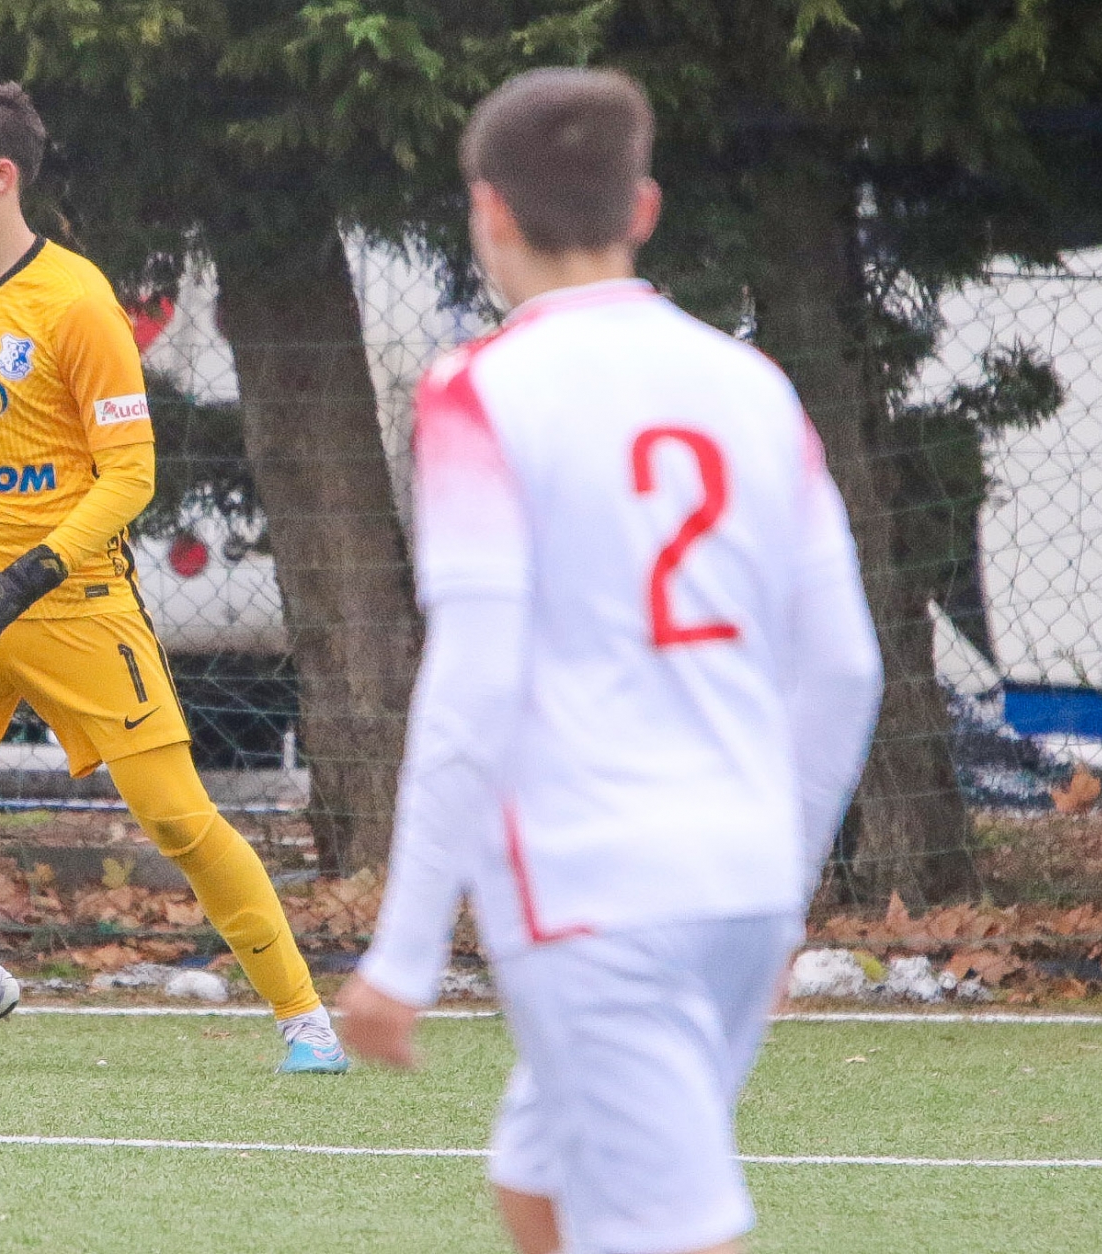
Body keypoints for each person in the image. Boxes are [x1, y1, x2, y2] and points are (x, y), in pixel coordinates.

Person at [335, 68, 882, 1253]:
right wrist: (782, 885)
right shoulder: (753, 386)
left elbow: (474, 679)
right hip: (741, 877)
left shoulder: (480, 391)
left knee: (667, 1230)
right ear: (644, 208)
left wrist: (405, 952)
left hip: (592, 892)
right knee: (537, 1175)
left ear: (489, 210)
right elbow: (843, 667)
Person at [0, 80, 347, 1074]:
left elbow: (130, 476)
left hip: (71, 598)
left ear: (0, 176)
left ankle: (305, 1021)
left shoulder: (76, 302)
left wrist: (24, 578)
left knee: (177, 816)